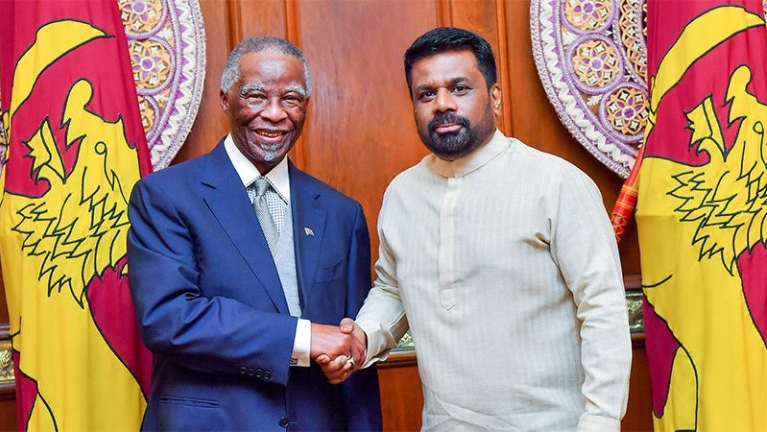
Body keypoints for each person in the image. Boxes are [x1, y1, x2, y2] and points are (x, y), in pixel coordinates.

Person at [325, 27, 632, 431]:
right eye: (426, 94)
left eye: (459, 88)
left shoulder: (557, 184)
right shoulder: (402, 194)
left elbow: (603, 310)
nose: (442, 104)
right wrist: (364, 336)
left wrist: (600, 423)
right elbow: (393, 289)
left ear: (496, 97)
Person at [127, 36, 381, 431]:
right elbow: (168, 317)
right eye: (256, 96)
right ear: (226, 98)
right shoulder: (164, 196)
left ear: (306, 107)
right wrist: (304, 336)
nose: (275, 114)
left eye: (291, 99)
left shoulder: (341, 213)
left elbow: (351, 349)